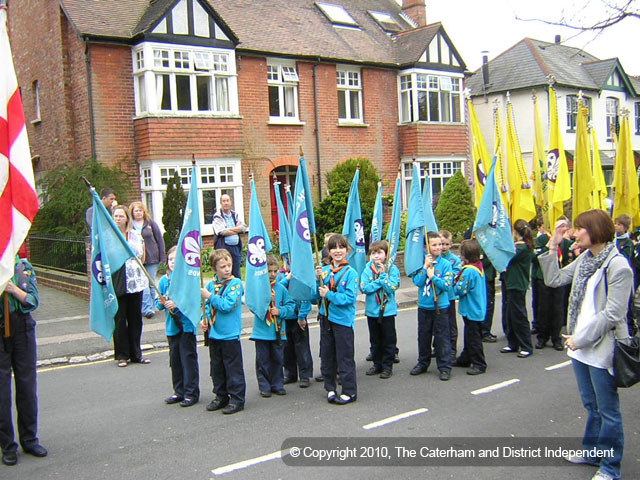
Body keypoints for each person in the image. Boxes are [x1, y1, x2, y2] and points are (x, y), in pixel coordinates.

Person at [540, 210, 632, 480]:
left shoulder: (618, 266)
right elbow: (554, 280)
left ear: (595, 231)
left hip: (602, 347)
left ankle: (610, 467)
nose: (575, 233)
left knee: (608, 410)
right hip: (579, 346)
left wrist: (579, 339)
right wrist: (553, 244)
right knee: (591, 405)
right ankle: (592, 452)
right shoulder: (585, 259)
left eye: (580, 228)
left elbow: (613, 314)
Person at [0, 256, 48, 466]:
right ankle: (7, 445)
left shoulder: (23, 267)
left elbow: (33, 300)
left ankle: (29, 439)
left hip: (22, 329)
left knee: (27, 387)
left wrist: (13, 289)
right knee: (1, 392)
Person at [314, 234, 359, 405]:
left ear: (347, 250)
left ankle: (349, 391)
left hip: (343, 321)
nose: (337, 251)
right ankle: (330, 387)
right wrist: (316, 278)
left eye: (341, 247)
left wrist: (329, 294)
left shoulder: (350, 273)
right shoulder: (324, 271)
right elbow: (314, 296)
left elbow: (348, 298)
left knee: (344, 356)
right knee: (327, 355)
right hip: (326, 319)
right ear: (328, 251)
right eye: (333, 248)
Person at [201, 249, 246, 414]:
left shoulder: (235, 284)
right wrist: (204, 319)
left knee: (232, 368)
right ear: (214, 268)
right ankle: (221, 396)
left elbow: (227, 306)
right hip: (215, 333)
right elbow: (206, 306)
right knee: (217, 368)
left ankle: (237, 398)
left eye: (229, 265)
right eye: (223, 266)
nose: (227, 269)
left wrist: (210, 297)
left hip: (229, 334)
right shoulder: (211, 285)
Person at [157, 247, 199, 408]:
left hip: (186, 326)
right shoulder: (164, 280)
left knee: (187, 358)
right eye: (170, 259)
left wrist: (177, 303)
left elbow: (192, 301)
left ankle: (191, 392)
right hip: (171, 327)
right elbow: (159, 305)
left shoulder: (187, 279)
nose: (173, 262)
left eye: (176, 259)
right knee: (175, 360)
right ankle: (178, 391)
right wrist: (161, 303)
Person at [410, 231, 454, 381]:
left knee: (442, 338)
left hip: (440, 306)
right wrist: (424, 268)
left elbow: (447, 286)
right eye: (434, 244)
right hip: (424, 306)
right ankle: (423, 363)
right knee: (423, 337)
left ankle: (444, 367)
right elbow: (417, 282)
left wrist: (433, 277)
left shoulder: (446, 264)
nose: (439, 247)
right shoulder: (421, 263)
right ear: (425, 247)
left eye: (440, 244)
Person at [251, 255, 295, 398]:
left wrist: (280, 311)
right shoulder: (258, 289)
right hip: (261, 331)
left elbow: (291, 306)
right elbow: (252, 306)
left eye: (275, 271)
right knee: (262, 360)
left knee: (277, 359)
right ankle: (264, 386)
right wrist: (265, 301)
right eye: (270, 271)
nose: (273, 274)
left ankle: (277, 384)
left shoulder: (281, 289)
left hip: (277, 331)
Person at [112, 205, 150, 367]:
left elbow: (142, 254)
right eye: (116, 216)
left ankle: (136, 353)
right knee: (120, 319)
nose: (118, 219)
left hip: (136, 282)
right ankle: (122, 354)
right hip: (119, 282)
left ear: (127, 218)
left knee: (135, 319)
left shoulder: (135, 234)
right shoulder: (110, 236)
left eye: (121, 216)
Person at [360, 240, 400, 379]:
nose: (376, 256)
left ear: (386, 254)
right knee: (375, 339)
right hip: (372, 311)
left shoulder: (392, 269)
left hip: (387, 310)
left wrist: (383, 276)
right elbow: (365, 288)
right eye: (373, 253)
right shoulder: (367, 269)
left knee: (388, 339)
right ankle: (377, 364)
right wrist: (381, 281)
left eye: (379, 253)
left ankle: (387, 366)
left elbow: (392, 287)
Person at [500, 219, 534, 358]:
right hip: (510, 283)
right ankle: (513, 343)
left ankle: (526, 345)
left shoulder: (521, 248)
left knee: (519, 315)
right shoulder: (519, 247)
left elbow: (506, 256)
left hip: (517, 284)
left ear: (515, 232)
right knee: (510, 315)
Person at [452, 239, 487, 375]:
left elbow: (460, 289)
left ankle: (479, 363)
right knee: (469, 334)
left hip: (471, 309)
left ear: (464, 255)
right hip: (477, 307)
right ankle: (465, 358)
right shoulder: (478, 266)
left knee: (473, 337)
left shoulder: (468, 271)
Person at [279, 267, 314, 389]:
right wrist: (287, 278)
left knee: (302, 347)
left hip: (298, 317)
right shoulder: (282, 276)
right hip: (285, 318)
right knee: (286, 348)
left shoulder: (302, 277)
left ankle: (305, 375)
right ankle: (290, 373)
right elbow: (278, 288)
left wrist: (302, 316)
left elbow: (305, 298)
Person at [130, 201, 165, 319]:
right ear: (132, 212)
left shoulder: (150, 224)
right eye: (136, 211)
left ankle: (151, 305)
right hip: (137, 259)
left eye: (140, 210)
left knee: (150, 282)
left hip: (151, 257)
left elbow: (159, 239)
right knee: (143, 282)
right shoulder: (130, 225)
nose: (138, 213)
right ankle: (147, 308)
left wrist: (162, 256)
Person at [212, 194, 248, 280]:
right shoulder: (217, 216)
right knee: (224, 271)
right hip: (224, 248)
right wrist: (236, 229)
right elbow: (222, 232)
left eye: (227, 200)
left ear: (230, 202)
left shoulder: (234, 214)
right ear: (221, 203)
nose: (226, 203)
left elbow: (243, 228)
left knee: (236, 272)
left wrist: (229, 229)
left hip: (235, 248)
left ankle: (238, 290)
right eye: (224, 201)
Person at [439, 230, 462, 362]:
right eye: (441, 243)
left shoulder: (455, 260)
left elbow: (456, 276)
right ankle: (438, 348)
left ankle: (452, 350)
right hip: (438, 298)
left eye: (446, 244)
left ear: (451, 244)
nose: (443, 247)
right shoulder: (435, 258)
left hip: (449, 297)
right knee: (439, 325)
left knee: (450, 324)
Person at [480, 249, 497, 343]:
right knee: (487, 304)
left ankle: (486, 330)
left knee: (490, 305)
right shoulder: (481, 243)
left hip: (490, 276)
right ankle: (484, 332)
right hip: (484, 276)